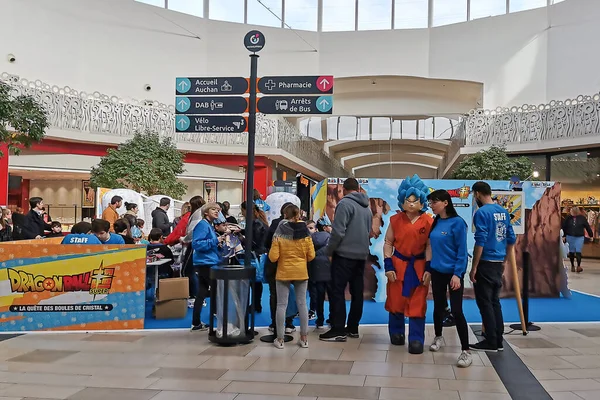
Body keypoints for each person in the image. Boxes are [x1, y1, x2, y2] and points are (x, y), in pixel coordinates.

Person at [382, 175, 433, 354]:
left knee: (418, 302)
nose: (411, 204)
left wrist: (428, 268)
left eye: (415, 200)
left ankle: (416, 338)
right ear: (402, 200)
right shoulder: (395, 220)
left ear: (422, 201)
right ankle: (396, 333)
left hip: (419, 267)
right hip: (398, 265)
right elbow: (388, 242)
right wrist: (388, 265)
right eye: (407, 200)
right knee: (396, 300)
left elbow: (429, 245)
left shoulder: (429, 221)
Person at [320, 178, 372, 342]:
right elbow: (368, 231)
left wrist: (330, 250)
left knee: (337, 290)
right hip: (361, 254)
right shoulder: (367, 208)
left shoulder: (344, 204)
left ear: (343, 189)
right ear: (358, 188)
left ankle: (337, 329)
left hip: (344, 254)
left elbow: (338, 232)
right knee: (357, 292)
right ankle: (353, 328)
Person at [426, 189, 472, 367]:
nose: (432, 205)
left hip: (453, 273)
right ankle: (438, 337)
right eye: (430, 202)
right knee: (438, 308)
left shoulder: (458, 223)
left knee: (457, 311)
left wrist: (457, 274)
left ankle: (465, 351)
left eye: (434, 202)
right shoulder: (436, 222)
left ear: (445, 202)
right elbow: (431, 247)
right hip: (437, 272)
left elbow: (462, 252)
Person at [469, 181, 516, 352]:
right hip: (498, 263)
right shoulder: (503, 211)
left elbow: (480, 240)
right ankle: (497, 339)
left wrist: (474, 267)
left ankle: (490, 340)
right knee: (495, 302)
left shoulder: (481, 213)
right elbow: (511, 238)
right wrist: (504, 260)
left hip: (486, 262)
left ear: (477, 194)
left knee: (485, 302)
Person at [268, 205, 315, 349]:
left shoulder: (279, 233)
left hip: (283, 272)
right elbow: (311, 256)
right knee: (302, 304)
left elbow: (273, 257)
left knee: (281, 305)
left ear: (285, 215)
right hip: (301, 272)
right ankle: (304, 339)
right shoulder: (306, 233)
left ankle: (280, 339)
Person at [264, 202, 297, 333]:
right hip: (292, 264)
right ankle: (289, 323)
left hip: (275, 264)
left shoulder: (275, 224)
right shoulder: (299, 226)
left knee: (275, 294)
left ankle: (275, 323)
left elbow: (267, 243)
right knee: (292, 294)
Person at [190, 203, 222, 331]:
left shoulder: (208, 225)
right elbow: (197, 244)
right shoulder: (203, 225)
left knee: (202, 292)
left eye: (218, 210)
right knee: (216, 290)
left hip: (207, 262)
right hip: (206, 263)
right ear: (206, 212)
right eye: (213, 209)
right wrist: (216, 241)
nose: (217, 212)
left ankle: (196, 322)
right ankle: (218, 317)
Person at [241, 201, 269, 313]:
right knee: (256, 282)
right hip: (260, 254)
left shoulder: (255, 223)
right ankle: (256, 304)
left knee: (254, 281)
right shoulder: (260, 222)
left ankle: (255, 305)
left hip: (256, 255)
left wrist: (242, 238)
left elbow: (254, 242)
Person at [309, 217, 332, 328]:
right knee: (332, 296)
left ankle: (320, 319)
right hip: (329, 269)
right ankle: (332, 318)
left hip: (316, 269)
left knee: (319, 296)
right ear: (324, 227)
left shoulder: (312, 238)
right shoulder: (331, 238)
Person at [562, 206, 593, 273]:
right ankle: (572, 265)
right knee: (571, 252)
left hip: (579, 237)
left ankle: (578, 266)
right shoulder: (568, 218)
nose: (570, 212)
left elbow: (587, 227)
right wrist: (563, 235)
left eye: (571, 211)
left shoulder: (582, 218)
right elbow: (564, 226)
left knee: (578, 251)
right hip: (570, 237)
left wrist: (591, 235)